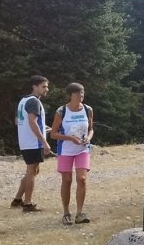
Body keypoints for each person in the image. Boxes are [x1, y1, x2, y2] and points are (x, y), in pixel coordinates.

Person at [50, 83, 94, 225]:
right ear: (71, 95)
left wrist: (88, 138)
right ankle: (66, 212)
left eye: (82, 93)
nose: (81, 96)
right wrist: (70, 138)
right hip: (66, 151)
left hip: (83, 149)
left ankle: (80, 213)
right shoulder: (61, 111)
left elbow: (91, 129)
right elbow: (53, 134)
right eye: (77, 94)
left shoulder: (88, 110)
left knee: (82, 179)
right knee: (67, 181)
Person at [13, 75, 52, 212]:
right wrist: (44, 141)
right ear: (34, 86)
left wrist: (44, 128)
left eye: (47, 86)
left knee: (33, 170)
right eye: (43, 86)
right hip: (33, 143)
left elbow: (19, 121)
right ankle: (28, 204)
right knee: (31, 171)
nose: (46, 89)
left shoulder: (23, 100)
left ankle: (17, 199)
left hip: (25, 141)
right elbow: (32, 122)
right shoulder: (34, 101)